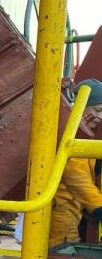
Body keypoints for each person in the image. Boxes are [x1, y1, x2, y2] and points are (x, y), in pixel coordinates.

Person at [49, 79, 102, 246]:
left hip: (70, 214)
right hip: (59, 217)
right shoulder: (71, 130)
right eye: (98, 110)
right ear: (82, 105)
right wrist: (99, 208)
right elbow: (76, 176)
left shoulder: (83, 132)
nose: (100, 117)